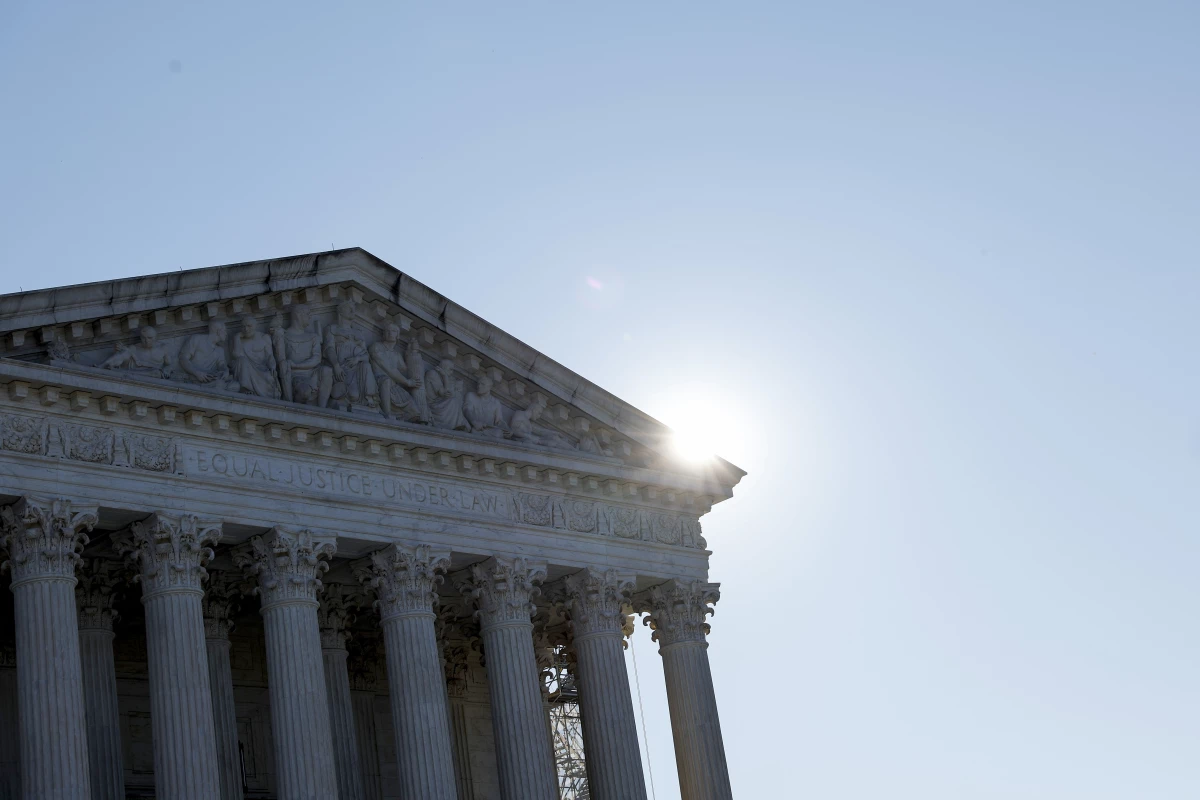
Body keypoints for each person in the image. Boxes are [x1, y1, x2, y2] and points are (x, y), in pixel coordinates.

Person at [272, 306, 332, 406]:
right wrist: (277, 335)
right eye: (307, 314)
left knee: (327, 370)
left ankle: (323, 409)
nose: (310, 317)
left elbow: (317, 359)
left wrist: (296, 365)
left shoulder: (313, 337)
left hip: (312, 374)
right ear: (298, 315)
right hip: (294, 376)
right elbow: (280, 359)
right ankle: (289, 405)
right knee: (304, 392)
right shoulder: (284, 335)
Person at [324, 301, 377, 410]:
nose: (353, 311)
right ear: (341, 311)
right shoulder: (332, 329)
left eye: (353, 308)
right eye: (349, 308)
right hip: (340, 370)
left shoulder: (358, 333)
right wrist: (336, 366)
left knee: (366, 365)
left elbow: (366, 355)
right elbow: (329, 349)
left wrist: (357, 359)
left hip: (357, 369)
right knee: (354, 395)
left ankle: (370, 397)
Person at [368, 322, 425, 421]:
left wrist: (411, 351)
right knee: (386, 381)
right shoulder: (376, 347)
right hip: (378, 383)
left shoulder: (397, 355)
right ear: (384, 334)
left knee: (415, 413)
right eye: (388, 331)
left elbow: (405, 371)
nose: (390, 333)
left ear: (398, 335)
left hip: (394, 388)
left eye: (393, 331)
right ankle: (387, 413)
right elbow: (389, 369)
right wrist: (408, 382)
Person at [177, 320, 239, 391]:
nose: (226, 334)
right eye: (224, 330)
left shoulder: (220, 350)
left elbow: (222, 365)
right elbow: (183, 358)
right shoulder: (197, 339)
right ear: (218, 331)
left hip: (212, 378)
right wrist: (197, 373)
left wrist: (225, 371)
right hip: (195, 376)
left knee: (236, 386)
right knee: (219, 385)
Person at [231, 316, 281, 398]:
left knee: (269, 377)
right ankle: (246, 388)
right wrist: (236, 338)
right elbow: (237, 355)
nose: (246, 329)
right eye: (243, 326)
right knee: (242, 360)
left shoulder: (264, 337)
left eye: (249, 326)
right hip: (246, 370)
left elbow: (270, 356)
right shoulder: (239, 340)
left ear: (255, 326)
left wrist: (272, 366)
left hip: (262, 369)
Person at [100, 326, 173, 378]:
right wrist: (119, 349)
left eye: (150, 338)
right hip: (135, 367)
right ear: (140, 338)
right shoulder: (134, 347)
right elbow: (122, 354)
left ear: (156, 337)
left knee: (156, 373)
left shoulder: (163, 348)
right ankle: (102, 366)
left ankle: (121, 372)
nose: (147, 341)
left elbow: (169, 364)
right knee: (125, 352)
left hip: (152, 372)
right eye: (143, 338)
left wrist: (167, 370)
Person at [424, 358, 467, 430]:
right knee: (453, 402)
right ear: (444, 368)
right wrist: (445, 377)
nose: (452, 372)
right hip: (432, 406)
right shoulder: (432, 374)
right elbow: (444, 393)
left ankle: (457, 425)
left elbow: (448, 394)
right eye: (450, 369)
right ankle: (454, 425)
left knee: (455, 400)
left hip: (438, 403)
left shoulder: (440, 377)